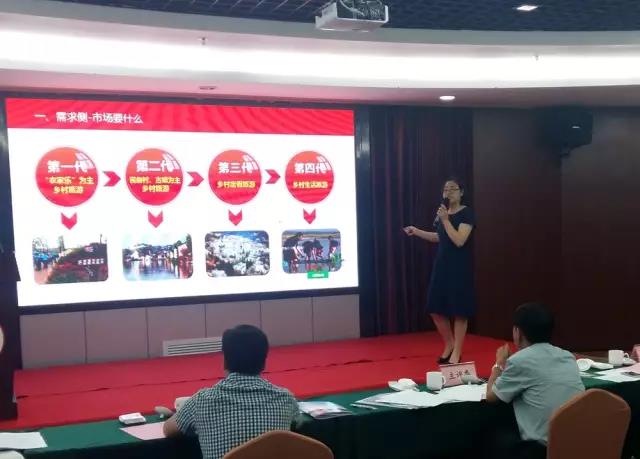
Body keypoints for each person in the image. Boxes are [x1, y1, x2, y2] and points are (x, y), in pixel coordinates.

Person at [163, 325, 299, 459]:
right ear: (264, 362)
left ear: (225, 361)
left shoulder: (201, 401)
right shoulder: (285, 399)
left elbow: (168, 430)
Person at [485, 303, 585, 459]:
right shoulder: (567, 356)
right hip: (577, 442)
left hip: (543, 449)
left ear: (518, 333)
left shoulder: (519, 361)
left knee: (493, 435)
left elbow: (491, 397)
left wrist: (498, 364)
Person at [403, 178, 475, 364]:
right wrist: (416, 231)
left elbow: (459, 240)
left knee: (459, 310)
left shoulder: (466, 213)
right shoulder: (443, 213)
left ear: (461, 192)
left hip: (459, 267)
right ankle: (449, 344)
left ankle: (457, 352)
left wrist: (445, 220)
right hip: (442, 265)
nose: (448, 192)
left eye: (453, 189)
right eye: (446, 189)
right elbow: (440, 237)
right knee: (434, 308)